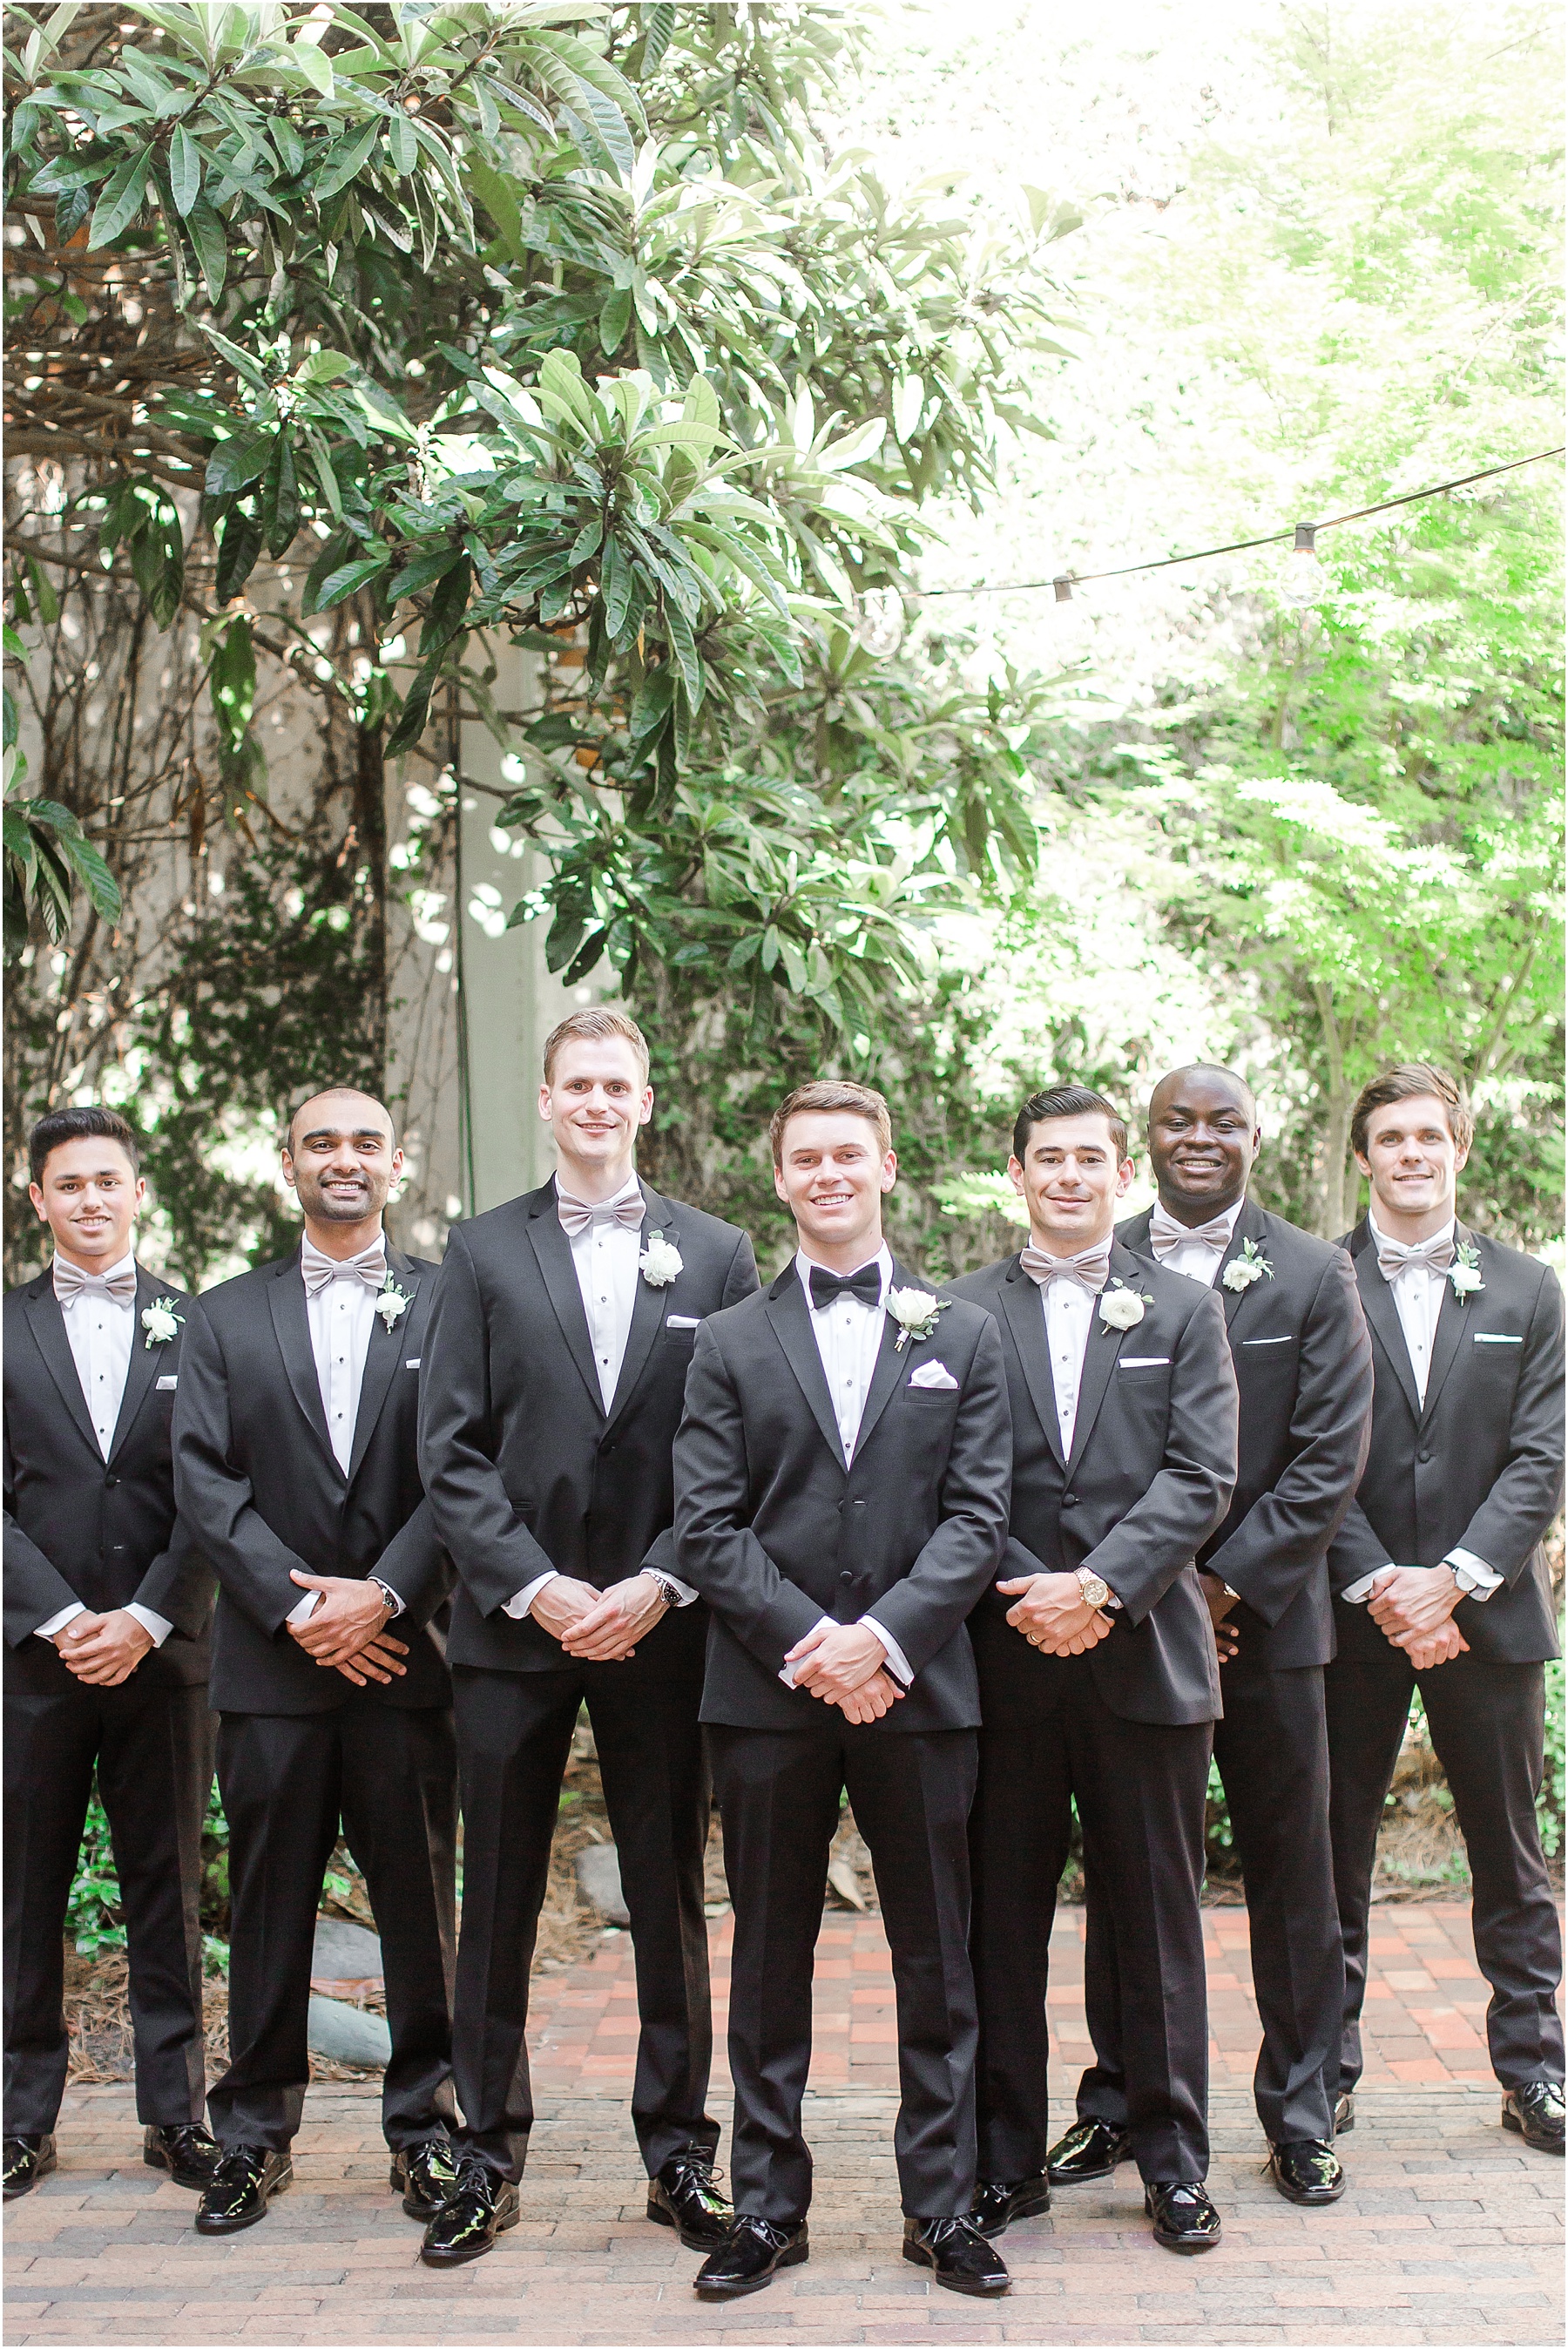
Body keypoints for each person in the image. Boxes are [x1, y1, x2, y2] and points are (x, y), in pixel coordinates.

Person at [415, 1009, 759, 2268]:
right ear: (547, 1101)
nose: (600, 1102)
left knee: (667, 1892)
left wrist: (662, 1579)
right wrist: (534, 1585)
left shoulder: (716, 1256)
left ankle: (679, 2152)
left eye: (620, 1082)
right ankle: (484, 2152)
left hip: (662, 1630)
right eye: (580, 1084)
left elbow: (733, 1448)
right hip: (519, 1628)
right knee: (494, 1890)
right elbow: (447, 1451)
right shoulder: (481, 1252)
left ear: (646, 1100)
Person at [672, 1079, 1014, 2303]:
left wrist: (887, 1643)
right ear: (781, 1178)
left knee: (939, 1956)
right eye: (806, 1158)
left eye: (848, 1156)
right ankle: (766, 2208)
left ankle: (943, 2206)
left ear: (886, 1168)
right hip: (769, 1696)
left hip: (919, 1695)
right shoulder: (726, 1341)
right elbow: (706, 1529)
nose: (828, 1175)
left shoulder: (963, 1333)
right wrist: (816, 1642)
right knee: (768, 1958)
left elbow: (981, 1518)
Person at [1051, 1066, 1373, 2209]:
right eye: (1179, 1121)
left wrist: (1224, 1589)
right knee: (1135, 1872)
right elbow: (1081, 1455)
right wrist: (1144, 1589)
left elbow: (1330, 1457)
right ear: (1147, 1141)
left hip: (1271, 1629)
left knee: (1295, 1874)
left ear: (1253, 1134)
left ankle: (1298, 2112)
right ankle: (1121, 2101)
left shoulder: (1313, 1272)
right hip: (1131, 1625)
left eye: (1221, 1120)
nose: (1201, 1137)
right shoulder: (1096, 1261)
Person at [950, 1085, 1238, 2255]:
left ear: (1120, 1178)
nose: (1069, 1176)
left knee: (1158, 1924)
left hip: (1144, 1657)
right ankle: (1004, 2160)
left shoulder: (1183, 1311)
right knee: (998, 1922)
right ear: (1013, 1173)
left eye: (1090, 1159)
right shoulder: (957, 1313)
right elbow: (951, 1477)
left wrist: (1102, 1587)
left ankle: (1170, 2163)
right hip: (1001, 1658)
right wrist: (1036, 1591)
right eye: (1047, 1158)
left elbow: (1202, 1474)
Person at [173, 1088, 458, 2233]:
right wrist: (302, 1614)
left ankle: (429, 2128)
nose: (345, 1159)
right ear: (287, 1161)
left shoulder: (451, 1306)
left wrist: (383, 1595)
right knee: (270, 1904)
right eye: (322, 1142)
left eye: (365, 1143)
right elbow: (205, 1482)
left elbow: (469, 1470)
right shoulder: (220, 1317)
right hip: (274, 1668)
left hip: (406, 1661)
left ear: (399, 1164)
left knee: (417, 1913)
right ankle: (250, 2133)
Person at [1326, 1064, 1565, 2155]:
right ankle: (1319, 2074)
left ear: (1459, 1148)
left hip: (1490, 1613)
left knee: (1510, 1855)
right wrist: (1385, 1581)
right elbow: (1300, 1456)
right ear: (1363, 1155)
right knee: (1330, 1851)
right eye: (1391, 1137)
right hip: (1347, 1614)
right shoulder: (1313, 1281)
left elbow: (1541, 1455)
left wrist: (1457, 1576)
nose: (1411, 1152)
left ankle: (1535, 2070)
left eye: (1429, 1134)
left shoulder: (1528, 1290)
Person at [4, 1107, 219, 2201]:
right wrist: (54, 1616)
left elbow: (219, 1494)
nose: (90, 1198)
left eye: (108, 1180)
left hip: (163, 1651)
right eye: (67, 1183)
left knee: (166, 1883)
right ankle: (17, 2115)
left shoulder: (205, 1324)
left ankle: (176, 2112)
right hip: (32, 1660)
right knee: (22, 1886)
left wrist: (143, 1615)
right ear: (33, 1197)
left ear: (140, 1191)